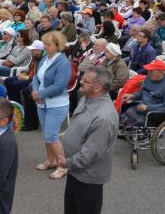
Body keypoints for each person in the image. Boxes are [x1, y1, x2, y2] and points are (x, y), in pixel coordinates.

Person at [57, 66, 119, 214]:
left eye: (85, 80)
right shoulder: (86, 98)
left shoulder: (104, 117)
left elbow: (91, 154)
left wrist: (67, 162)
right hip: (75, 170)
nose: (80, 82)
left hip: (88, 177)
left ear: (97, 88)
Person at [31, 31, 71, 179]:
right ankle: (51, 160)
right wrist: (36, 91)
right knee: (47, 135)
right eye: (45, 44)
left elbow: (59, 85)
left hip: (56, 104)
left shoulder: (63, 62)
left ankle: (62, 166)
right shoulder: (45, 58)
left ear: (57, 45)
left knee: (51, 135)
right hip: (42, 103)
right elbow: (36, 77)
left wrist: (40, 94)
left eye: (48, 45)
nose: (45, 47)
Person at [120, 59, 165, 127]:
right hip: (141, 108)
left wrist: (148, 107)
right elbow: (142, 92)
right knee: (127, 112)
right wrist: (132, 95)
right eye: (148, 70)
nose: (148, 72)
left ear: (160, 72)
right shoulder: (149, 78)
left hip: (155, 114)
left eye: (151, 70)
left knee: (136, 121)